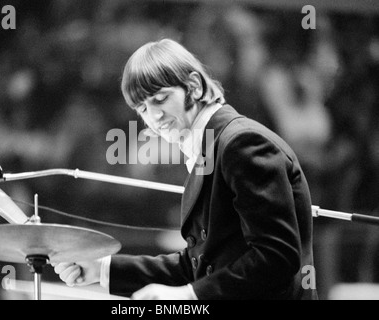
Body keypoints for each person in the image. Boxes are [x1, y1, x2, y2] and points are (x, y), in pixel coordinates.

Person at [53, 38, 318, 300]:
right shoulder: (209, 147)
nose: (154, 117)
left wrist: (190, 295)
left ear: (193, 86)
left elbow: (277, 257)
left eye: (161, 98)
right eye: (143, 108)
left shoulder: (241, 143)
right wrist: (103, 269)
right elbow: (198, 266)